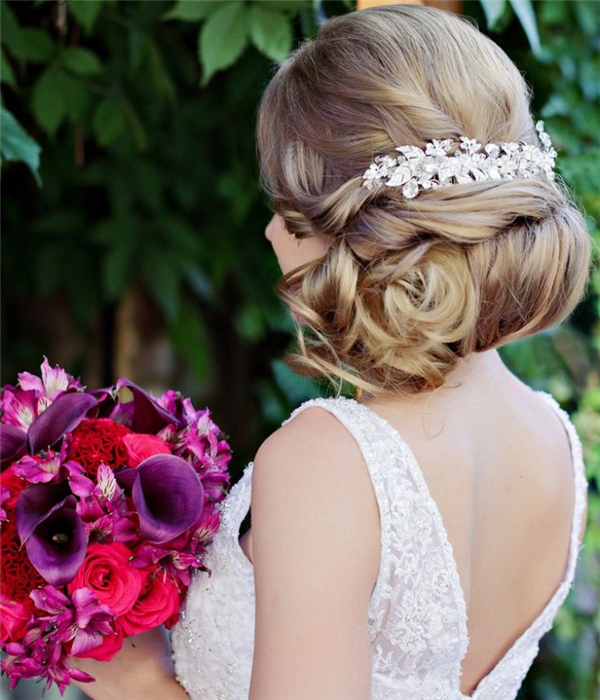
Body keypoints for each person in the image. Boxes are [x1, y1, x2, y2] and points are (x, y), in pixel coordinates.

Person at [73, 4, 591, 699]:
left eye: (288, 209)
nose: (269, 232)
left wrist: (136, 680)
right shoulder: (554, 444)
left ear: (355, 230)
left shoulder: (327, 462)